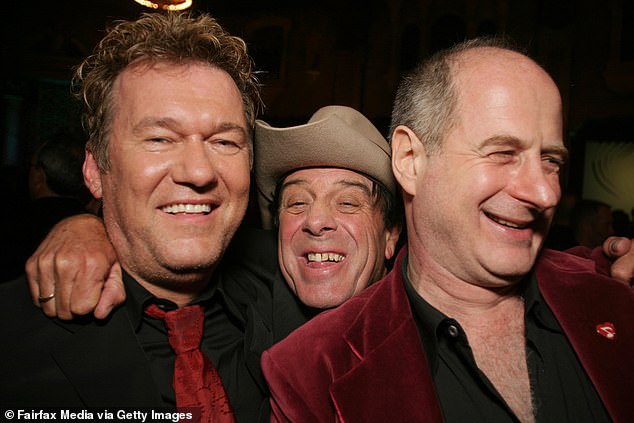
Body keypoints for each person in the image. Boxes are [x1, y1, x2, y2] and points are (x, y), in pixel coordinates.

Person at [261, 38, 634, 423]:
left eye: (551, 161)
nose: (545, 193)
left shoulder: (615, 292)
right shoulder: (307, 372)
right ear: (409, 160)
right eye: (502, 153)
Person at [0, 12, 308, 422]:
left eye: (224, 141)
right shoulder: (12, 340)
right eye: (160, 139)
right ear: (95, 169)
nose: (198, 172)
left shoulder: (297, 296)